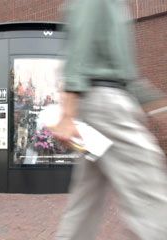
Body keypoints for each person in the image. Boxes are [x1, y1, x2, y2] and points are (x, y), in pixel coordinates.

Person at [53, 0, 167, 239]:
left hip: (102, 105)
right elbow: (80, 51)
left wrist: (155, 103)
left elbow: (123, 67)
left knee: (86, 201)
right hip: (105, 108)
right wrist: (67, 114)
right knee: (150, 195)